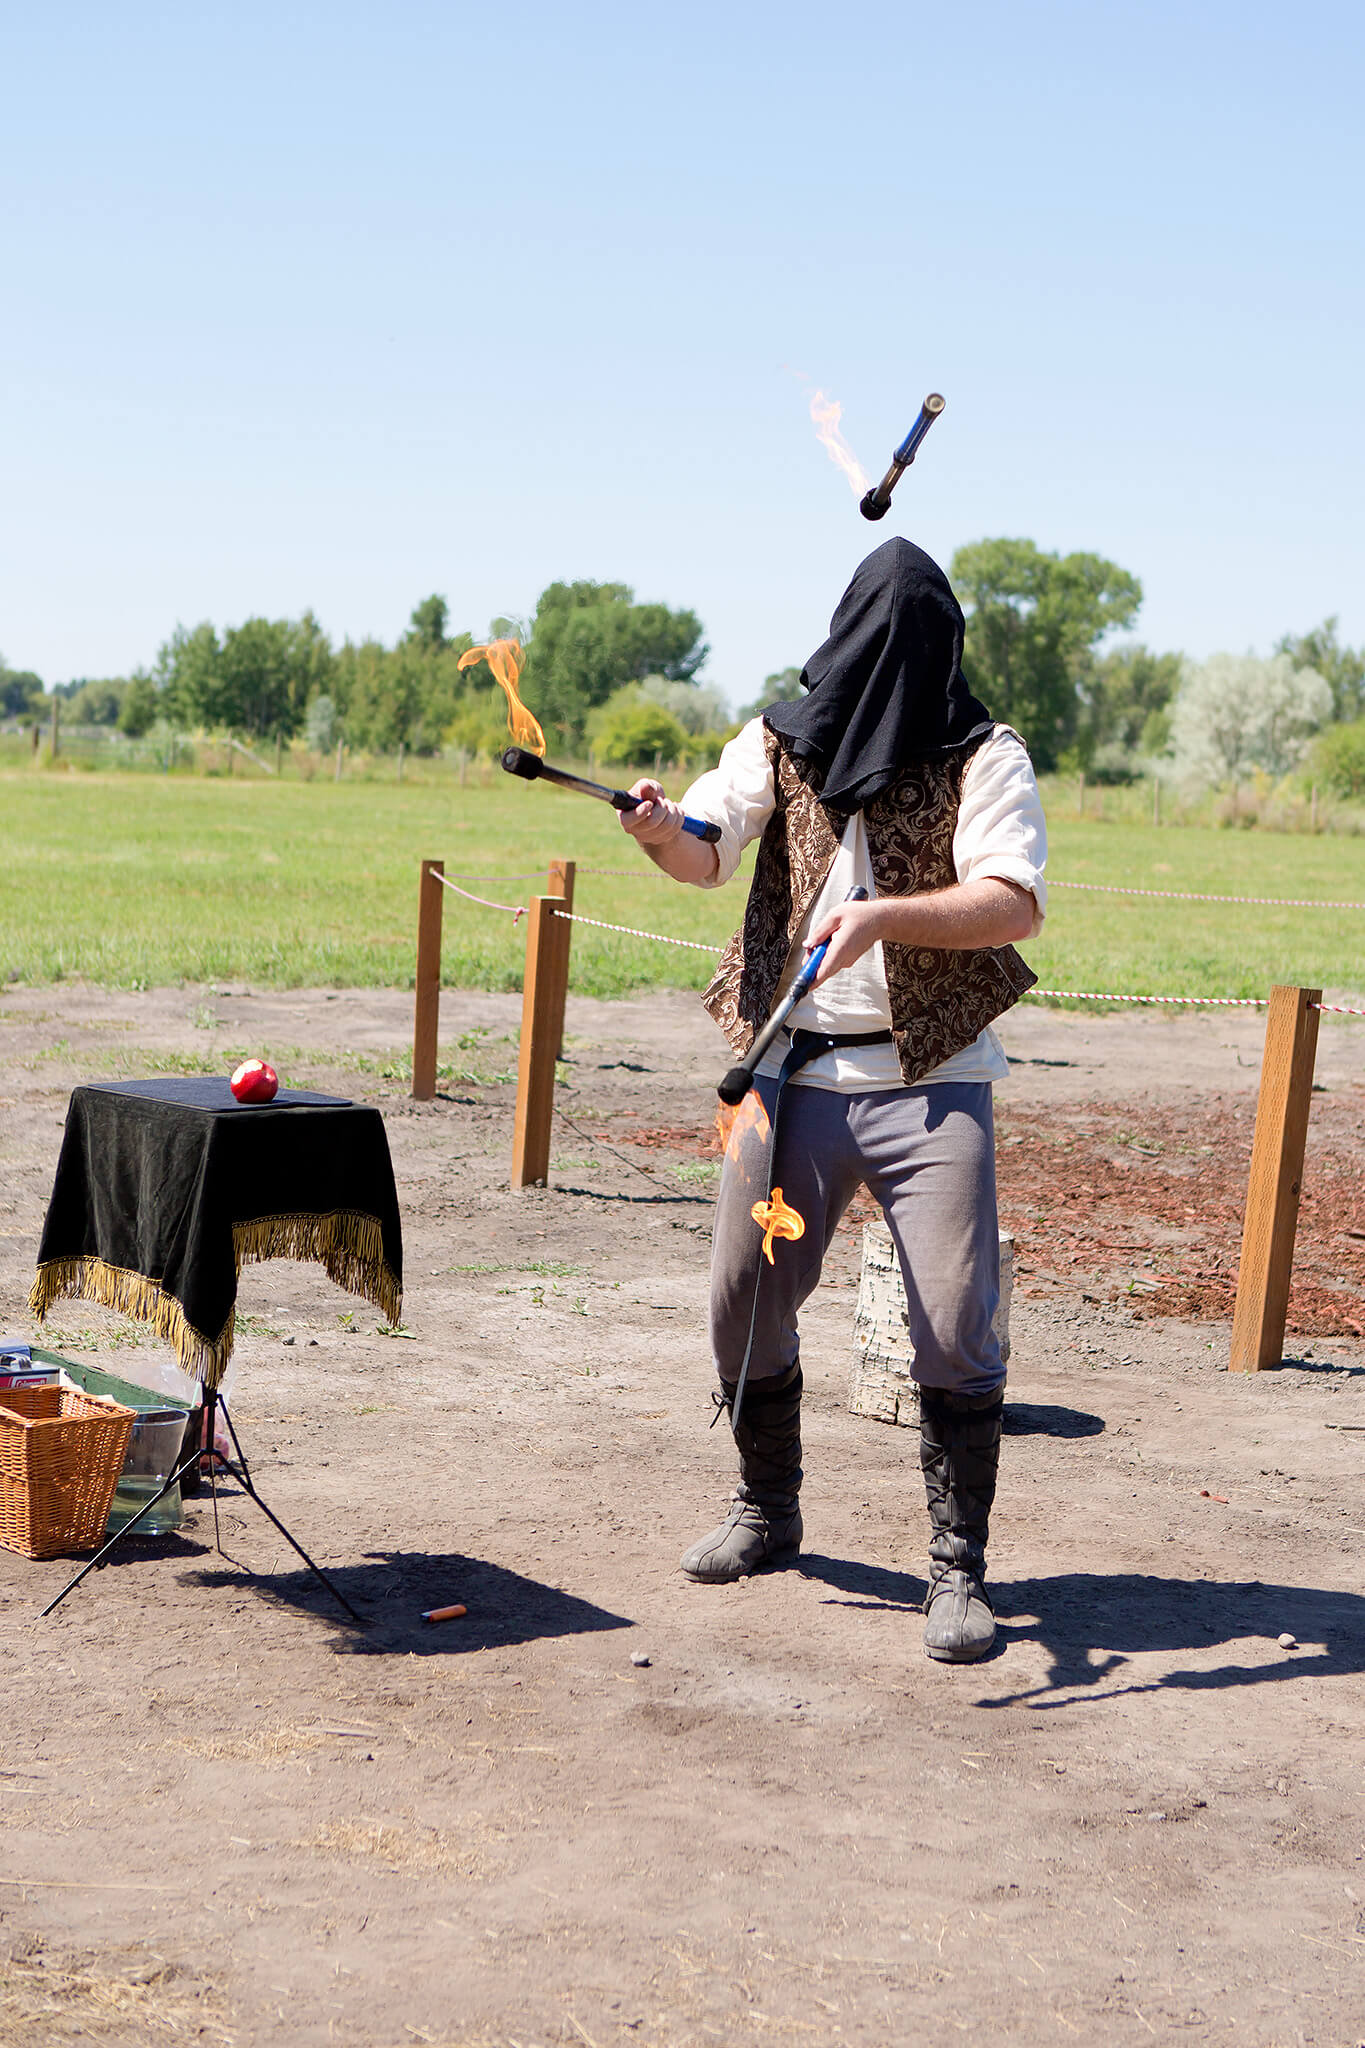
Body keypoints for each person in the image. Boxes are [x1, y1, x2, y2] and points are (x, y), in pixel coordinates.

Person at [619, 538, 1047, 1662]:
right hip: (789, 1076)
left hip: (933, 1080)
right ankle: (769, 1507)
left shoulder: (985, 753)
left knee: (955, 1321)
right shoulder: (779, 741)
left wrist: (884, 917)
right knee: (742, 1298)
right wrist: (665, 830)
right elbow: (709, 849)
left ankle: (956, 1568)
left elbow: (1011, 904)